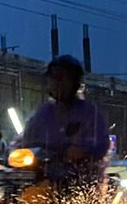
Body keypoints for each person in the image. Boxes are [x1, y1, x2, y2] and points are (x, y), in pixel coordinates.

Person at [15, 55, 111, 191]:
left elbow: (101, 143)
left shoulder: (87, 113)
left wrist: (81, 151)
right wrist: (10, 150)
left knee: (75, 192)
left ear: (74, 82)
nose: (56, 83)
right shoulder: (43, 112)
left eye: (61, 78)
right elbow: (23, 138)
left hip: (80, 179)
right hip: (45, 176)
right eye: (52, 78)